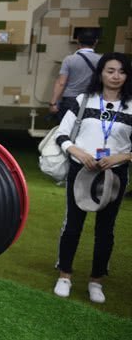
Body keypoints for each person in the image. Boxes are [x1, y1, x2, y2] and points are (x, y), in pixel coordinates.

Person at [52, 52, 131, 304]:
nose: (116, 76)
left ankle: (96, 281)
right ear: (101, 73)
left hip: (114, 174)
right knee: (73, 225)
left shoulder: (131, 105)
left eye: (121, 71)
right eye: (110, 70)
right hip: (82, 170)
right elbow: (62, 134)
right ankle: (65, 275)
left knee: (105, 229)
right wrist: (77, 151)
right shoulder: (83, 100)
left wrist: (121, 157)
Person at [50, 30, 101, 119]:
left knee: (67, 125)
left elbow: (61, 83)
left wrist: (53, 103)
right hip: (91, 99)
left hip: (70, 100)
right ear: (96, 42)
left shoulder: (69, 59)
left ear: (77, 41)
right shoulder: (101, 60)